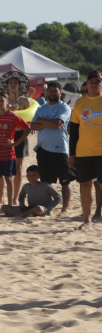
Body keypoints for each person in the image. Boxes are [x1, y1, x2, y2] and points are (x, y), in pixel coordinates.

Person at [0, 72, 39, 205]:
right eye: (10, 83)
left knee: (18, 166)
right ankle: (0, 196)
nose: (12, 85)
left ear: (19, 85)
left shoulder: (25, 101)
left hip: (19, 135)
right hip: (3, 135)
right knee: (0, 167)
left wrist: (30, 124)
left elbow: (31, 116)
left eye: (15, 83)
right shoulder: (2, 100)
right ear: (7, 86)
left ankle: (15, 197)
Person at [30, 82, 73, 217]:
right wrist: (47, 123)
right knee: (45, 182)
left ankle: (65, 209)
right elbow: (33, 126)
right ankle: (46, 208)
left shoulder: (64, 107)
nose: (53, 93)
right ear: (47, 93)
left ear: (61, 93)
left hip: (60, 149)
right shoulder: (42, 108)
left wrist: (42, 122)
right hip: (43, 149)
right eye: (51, 91)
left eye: (56, 91)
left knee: (65, 181)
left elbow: (58, 124)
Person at [0, 92, 30, 212]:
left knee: (9, 178)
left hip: (8, 153)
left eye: (2, 100)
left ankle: (9, 204)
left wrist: (15, 143)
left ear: (7, 101)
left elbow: (27, 128)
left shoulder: (12, 116)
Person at [69, 70, 102, 230]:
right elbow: (74, 131)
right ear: (87, 83)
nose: (94, 84)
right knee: (85, 186)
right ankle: (87, 220)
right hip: (83, 152)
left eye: (97, 81)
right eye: (91, 81)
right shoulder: (79, 103)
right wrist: (72, 154)